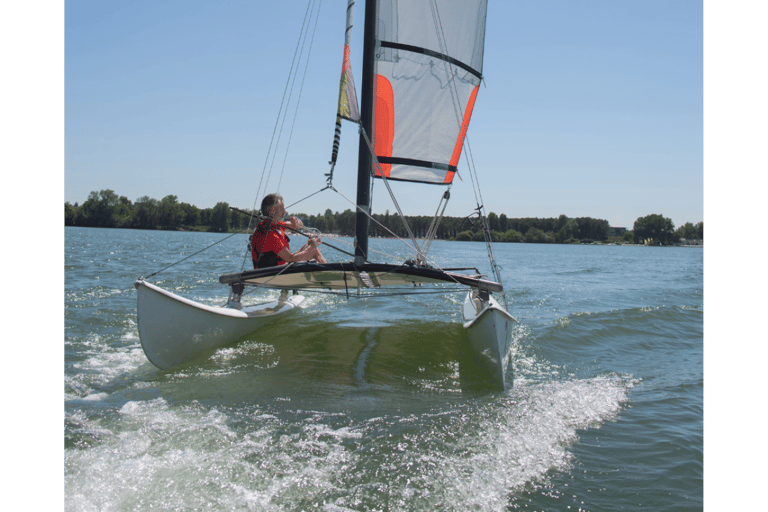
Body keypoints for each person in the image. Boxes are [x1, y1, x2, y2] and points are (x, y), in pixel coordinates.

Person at [251, 193, 326, 269]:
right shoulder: (270, 235)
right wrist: (312, 247)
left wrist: (296, 222)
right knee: (313, 249)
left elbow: (293, 226)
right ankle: (330, 272)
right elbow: (291, 258)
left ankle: (329, 271)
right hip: (274, 273)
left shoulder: (274, 225)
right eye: (282, 208)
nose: (285, 211)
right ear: (272, 211)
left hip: (281, 268)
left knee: (309, 247)